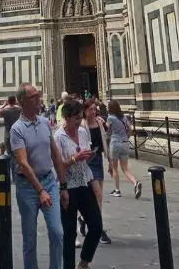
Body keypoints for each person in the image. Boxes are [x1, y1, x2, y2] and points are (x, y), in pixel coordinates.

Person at [10, 84, 66, 269]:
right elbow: (23, 164)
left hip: (49, 182)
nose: (39, 99)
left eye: (38, 95)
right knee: (30, 238)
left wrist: (63, 186)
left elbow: (55, 154)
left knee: (57, 233)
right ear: (22, 101)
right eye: (34, 96)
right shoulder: (17, 129)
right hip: (28, 188)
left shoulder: (44, 122)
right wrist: (40, 191)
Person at [54, 99, 102, 269]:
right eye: (76, 118)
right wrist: (75, 158)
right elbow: (57, 165)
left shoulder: (82, 132)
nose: (80, 121)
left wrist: (89, 155)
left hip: (84, 183)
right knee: (69, 233)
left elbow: (85, 158)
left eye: (80, 118)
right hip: (67, 188)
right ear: (66, 117)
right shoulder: (58, 137)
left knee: (96, 226)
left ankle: (83, 263)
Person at [82, 99, 111, 245]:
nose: (93, 112)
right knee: (98, 195)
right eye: (90, 110)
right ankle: (99, 229)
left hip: (98, 160)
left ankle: (84, 219)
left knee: (97, 198)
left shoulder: (100, 123)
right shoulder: (81, 125)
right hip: (87, 163)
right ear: (85, 111)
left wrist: (111, 162)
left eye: (95, 109)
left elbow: (105, 141)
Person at [105, 100, 140, 199]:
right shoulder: (123, 117)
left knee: (115, 168)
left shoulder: (110, 118)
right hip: (125, 143)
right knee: (125, 168)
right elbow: (130, 129)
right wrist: (126, 137)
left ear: (110, 108)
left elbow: (107, 130)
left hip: (115, 143)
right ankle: (135, 182)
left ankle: (117, 190)